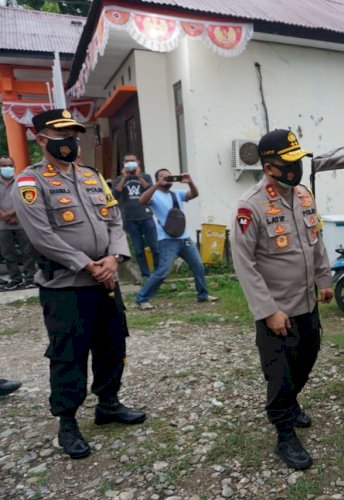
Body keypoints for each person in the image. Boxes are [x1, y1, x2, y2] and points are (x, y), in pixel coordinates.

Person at [13, 109, 146, 460]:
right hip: (66, 286)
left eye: (73, 134)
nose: (70, 142)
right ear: (41, 140)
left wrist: (114, 258)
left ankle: (108, 404)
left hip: (105, 280)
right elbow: (41, 235)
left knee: (112, 344)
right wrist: (86, 264)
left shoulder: (93, 176)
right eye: (61, 135)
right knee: (69, 354)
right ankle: (67, 422)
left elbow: (114, 220)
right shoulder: (30, 182)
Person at [231, 129, 333, 470]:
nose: (296, 168)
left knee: (307, 357)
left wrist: (324, 278)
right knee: (281, 372)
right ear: (269, 166)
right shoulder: (251, 205)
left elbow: (315, 241)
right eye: (288, 163)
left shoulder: (303, 195)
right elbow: (244, 264)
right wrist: (268, 310)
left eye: (297, 161)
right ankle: (284, 432)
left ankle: (289, 404)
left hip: (307, 303)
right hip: (278, 311)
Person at [133, 169, 217, 309]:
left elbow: (194, 194)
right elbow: (142, 200)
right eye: (161, 176)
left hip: (184, 238)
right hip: (166, 240)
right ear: (157, 180)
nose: (165, 177)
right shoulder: (155, 194)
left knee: (198, 266)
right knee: (163, 271)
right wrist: (155, 185)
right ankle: (141, 298)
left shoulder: (176, 194)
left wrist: (190, 182)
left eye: (167, 175)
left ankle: (203, 295)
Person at [113, 153, 158, 282]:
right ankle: (145, 275)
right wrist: (123, 177)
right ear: (123, 163)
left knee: (154, 247)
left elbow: (151, 190)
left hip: (146, 215)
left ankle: (159, 273)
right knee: (138, 250)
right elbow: (115, 195)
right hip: (130, 218)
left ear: (138, 162)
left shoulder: (145, 176)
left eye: (132, 161)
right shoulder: (120, 178)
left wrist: (138, 176)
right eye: (127, 161)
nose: (130, 163)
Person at [0, 154, 37, 290]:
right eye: (4, 166)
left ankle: (29, 278)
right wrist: (4, 216)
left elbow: (27, 198)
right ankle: (15, 279)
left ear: (14, 167)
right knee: (8, 254)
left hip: (21, 222)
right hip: (3, 225)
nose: (7, 168)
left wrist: (11, 214)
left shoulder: (21, 182)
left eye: (10, 165)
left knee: (28, 252)